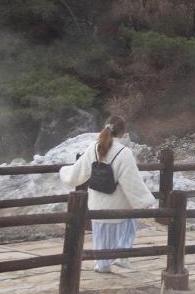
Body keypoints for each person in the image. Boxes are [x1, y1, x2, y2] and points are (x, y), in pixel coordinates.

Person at [60, 116, 156, 273]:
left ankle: (103, 264)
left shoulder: (94, 147)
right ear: (123, 132)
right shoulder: (124, 153)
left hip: (97, 203)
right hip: (118, 204)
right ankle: (121, 257)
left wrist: (64, 172)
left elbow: (79, 172)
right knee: (129, 222)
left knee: (101, 235)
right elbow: (131, 182)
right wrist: (144, 201)